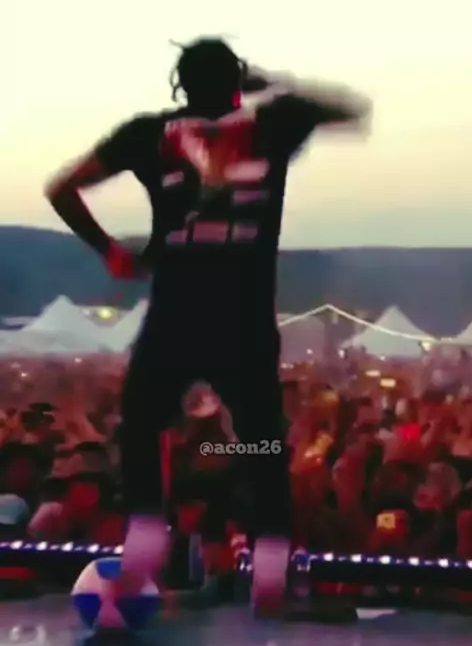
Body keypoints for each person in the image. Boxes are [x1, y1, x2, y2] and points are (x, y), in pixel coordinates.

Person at [45, 36, 370, 612]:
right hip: (243, 313)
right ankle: (271, 556)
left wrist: (109, 249)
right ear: (237, 80)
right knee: (261, 436)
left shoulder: (147, 133)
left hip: (178, 307)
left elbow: (61, 188)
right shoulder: (273, 123)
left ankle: (146, 528)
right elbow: (350, 109)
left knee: (142, 422)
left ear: (181, 85)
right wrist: (273, 84)